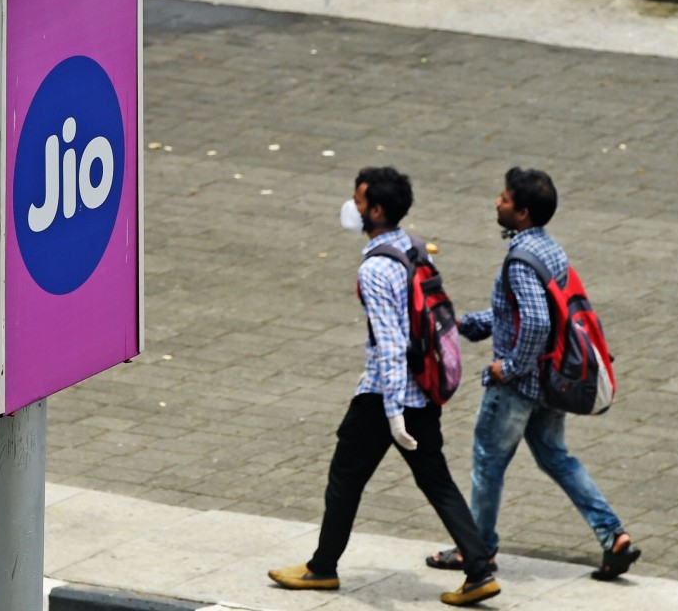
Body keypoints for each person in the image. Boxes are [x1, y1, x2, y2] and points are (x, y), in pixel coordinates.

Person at [268, 166, 500, 607]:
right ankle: (479, 568)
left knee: (344, 477)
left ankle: (322, 569)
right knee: (437, 480)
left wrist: (393, 413)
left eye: (357, 201)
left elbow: (391, 343)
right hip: (424, 390)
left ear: (375, 210)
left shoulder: (376, 267)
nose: (351, 208)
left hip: (386, 396)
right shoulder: (412, 247)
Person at [425, 167, 640, 581]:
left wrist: (508, 367)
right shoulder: (551, 250)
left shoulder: (520, 261)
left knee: (488, 463)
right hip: (549, 382)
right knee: (556, 457)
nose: (497, 203)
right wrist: (469, 324)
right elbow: (524, 314)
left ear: (522, 212)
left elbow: (537, 323)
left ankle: (478, 550)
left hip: (519, 386)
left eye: (504, 199)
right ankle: (613, 535)